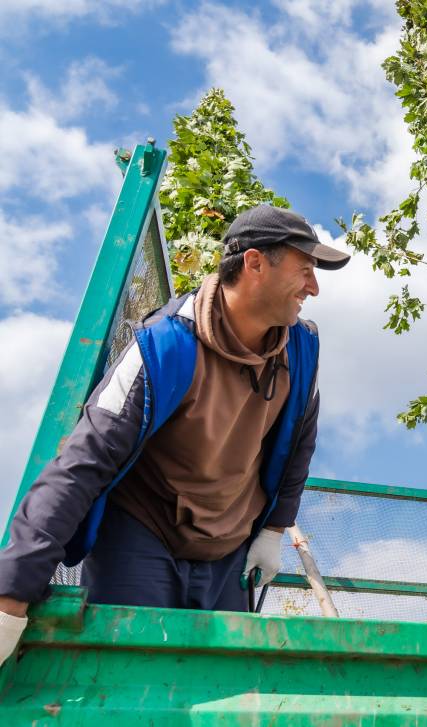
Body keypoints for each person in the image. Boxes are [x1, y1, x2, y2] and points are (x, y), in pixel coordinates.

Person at [0, 205, 349, 664]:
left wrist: (275, 530)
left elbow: (300, 443)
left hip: (229, 548)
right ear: (255, 263)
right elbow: (83, 461)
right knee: (127, 676)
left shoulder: (302, 350)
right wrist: (11, 594)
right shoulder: (162, 346)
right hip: (143, 532)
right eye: (305, 270)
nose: (314, 287)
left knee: (219, 689)